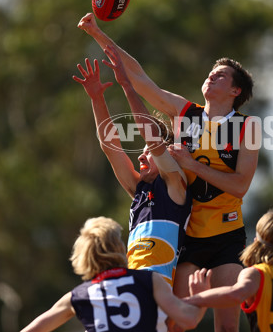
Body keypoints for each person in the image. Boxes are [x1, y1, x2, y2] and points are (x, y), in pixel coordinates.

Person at [78, 13, 259, 332]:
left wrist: (191, 165)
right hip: (188, 234)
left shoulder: (248, 127)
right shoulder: (186, 113)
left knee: (227, 327)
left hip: (226, 235)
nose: (211, 77)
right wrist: (98, 34)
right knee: (175, 325)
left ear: (235, 91)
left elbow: (240, 186)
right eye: (210, 73)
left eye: (220, 75)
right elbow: (140, 79)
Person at [73, 45, 192, 287]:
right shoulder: (138, 189)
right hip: (133, 285)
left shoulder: (175, 183)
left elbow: (150, 136)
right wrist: (96, 98)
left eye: (148, 152)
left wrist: (128, 86)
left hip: (161, 290)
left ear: (167, 153)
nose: (141, 156)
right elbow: (109, 146)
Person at [19, 216, 211, 332]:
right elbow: (188, 319)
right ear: (119, 248)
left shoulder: (78, 296)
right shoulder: (149, 280)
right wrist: (200, 297)